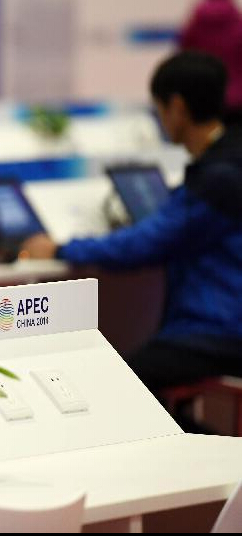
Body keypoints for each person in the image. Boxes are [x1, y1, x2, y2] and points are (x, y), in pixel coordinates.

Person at [21, 52, 242, 431]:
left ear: (177, 107)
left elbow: (142, 245)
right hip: (221, 325)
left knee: (123, 382)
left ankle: (201, 459)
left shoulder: (218, 177)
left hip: (219, 332)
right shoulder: (227, 163)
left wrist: (59, 250)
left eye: (159, 109)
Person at [179, 0, 242, 126]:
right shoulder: (238, 24)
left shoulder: (193, 26)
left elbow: (184, 61)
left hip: (202, 99)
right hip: (237, 99)